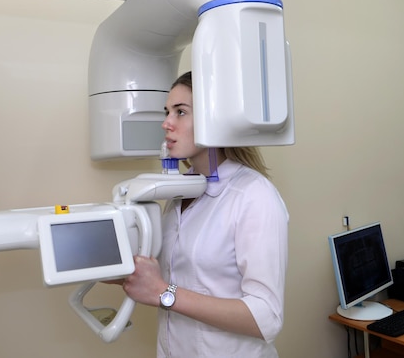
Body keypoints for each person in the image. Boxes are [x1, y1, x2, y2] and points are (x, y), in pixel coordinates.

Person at [121, 71, 289, 357]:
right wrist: (124, 271)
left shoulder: (253, 195)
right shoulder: (178, 193)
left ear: (214, 119)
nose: (166, 124)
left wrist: (164, 292)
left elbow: (267, 318)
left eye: (181, 112)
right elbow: (179, 273)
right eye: (167, 112)